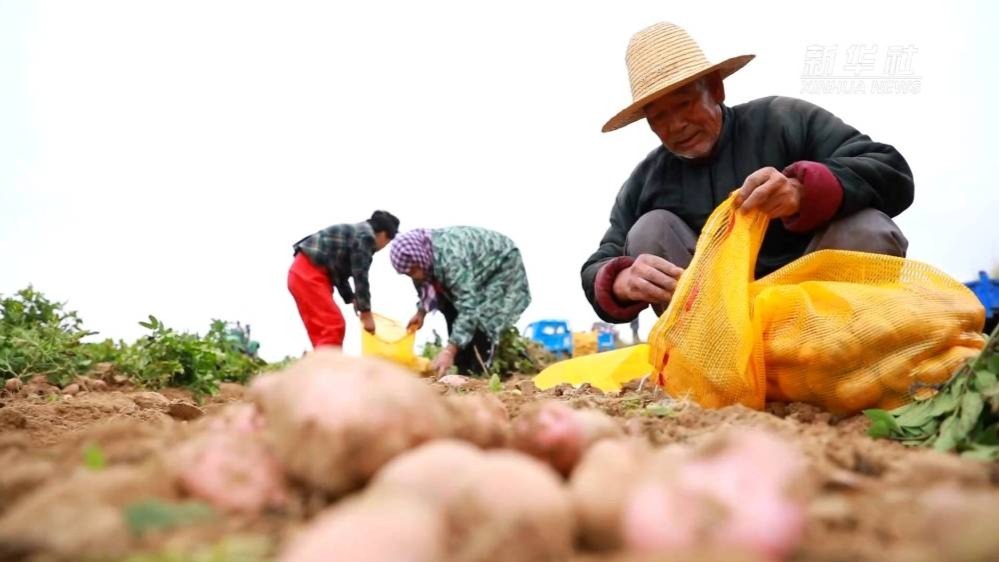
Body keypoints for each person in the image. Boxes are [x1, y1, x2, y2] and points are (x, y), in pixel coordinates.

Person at [582, 22, 914, 323]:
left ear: (715, 89)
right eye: (658, 117)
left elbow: (891, 169)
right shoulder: (647, 180)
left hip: (819, 312)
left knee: (868, 228)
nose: (676, 125)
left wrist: (801, 189)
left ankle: (846, 354)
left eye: (684, 103)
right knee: (648, 230)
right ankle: (714, 366)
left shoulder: (782, 120)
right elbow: (602, 259)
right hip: (721, 327)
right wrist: (623, 281)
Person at [391, 226, 532, 376]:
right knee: (448, 306)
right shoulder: (423, 261)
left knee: (485, 317)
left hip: (502, 263)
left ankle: (480, 370)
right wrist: (421, 312)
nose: (413, 276)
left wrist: (449, 350)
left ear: (419, 258)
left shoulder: (451, 260)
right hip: (471, 269)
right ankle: (463, 368)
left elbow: (469, 308)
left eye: (413, 270)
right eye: (407, 273)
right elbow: (429, 291)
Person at [288, 210, 400, 348]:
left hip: (303, 273)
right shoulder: (366, 237)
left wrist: (351, 298)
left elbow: (339, 274)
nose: (383, 246)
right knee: (333, 325)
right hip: (309, 273)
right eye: (387, 242)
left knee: (322, 330)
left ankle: (321, 363)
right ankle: (330, 367)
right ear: (384, 235)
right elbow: (360, 275)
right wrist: (366, 313)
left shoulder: (355, 233)